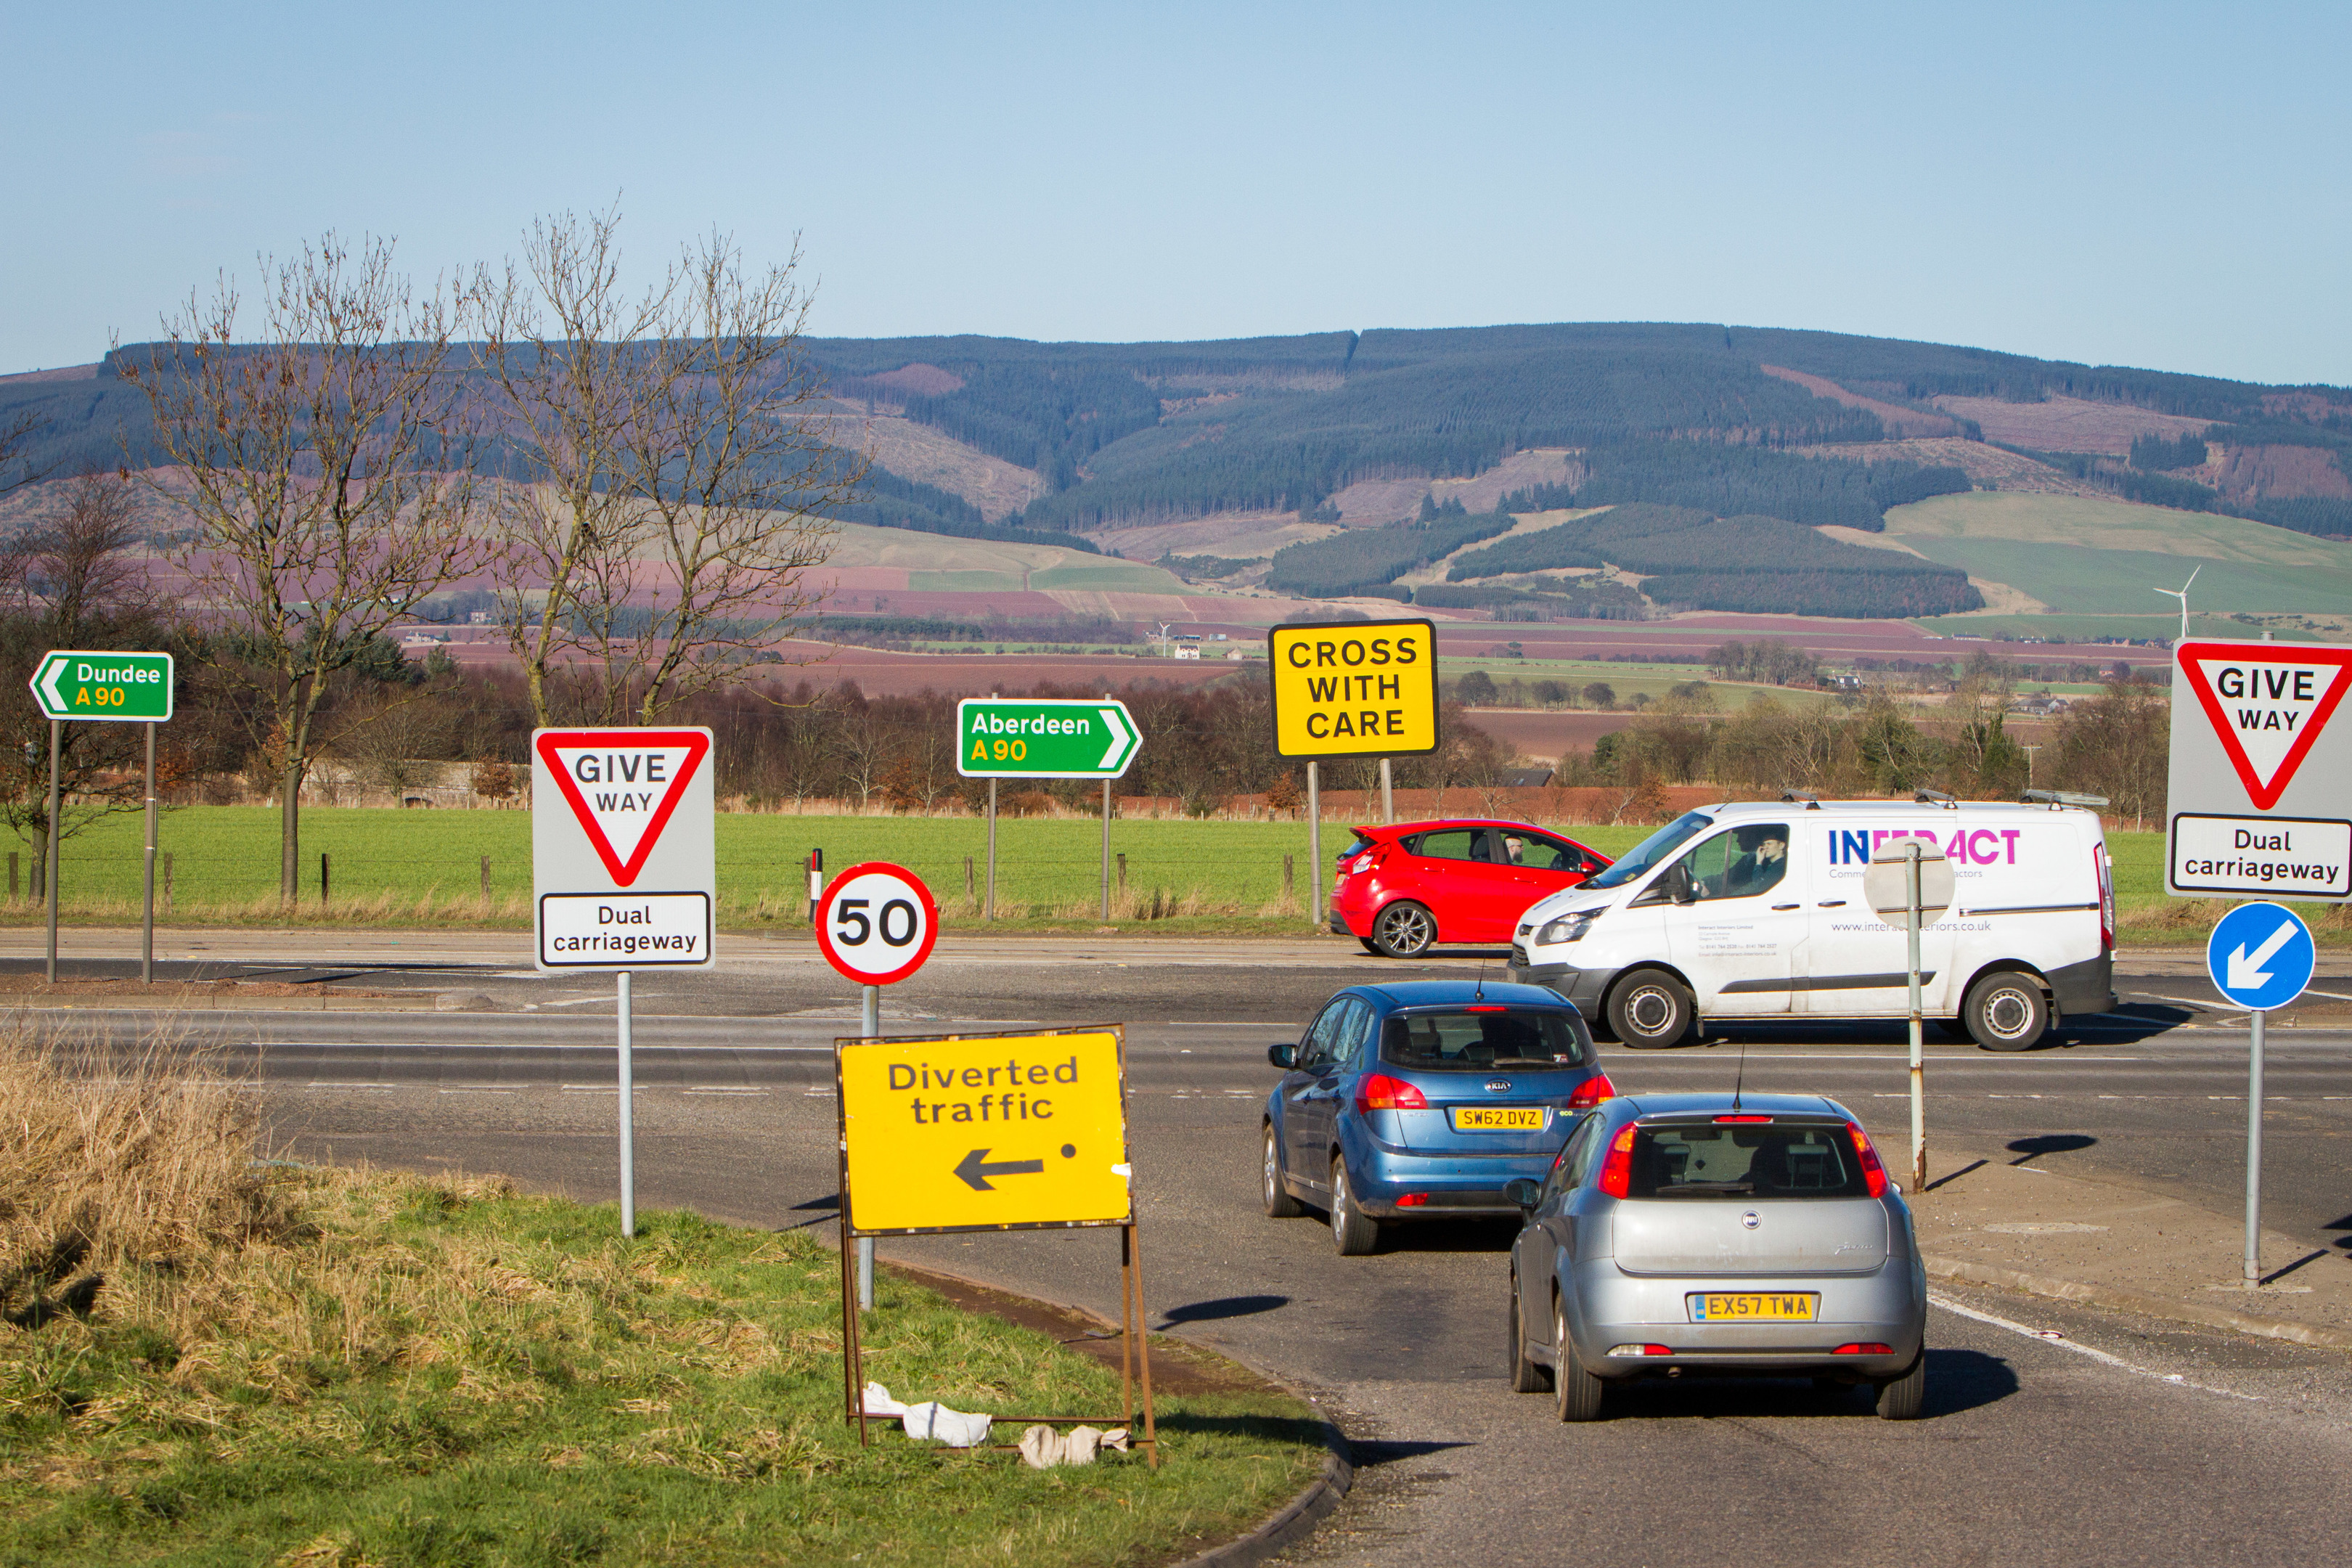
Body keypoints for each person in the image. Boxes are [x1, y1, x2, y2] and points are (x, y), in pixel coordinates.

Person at [1723, 827, 1788, 897]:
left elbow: (1760, 885)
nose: (1765, 847)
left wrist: (1759, 863)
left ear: (1781, 845)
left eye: (1769, 844)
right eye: (1764, 844)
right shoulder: (1775, 865)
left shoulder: (1780, 867)